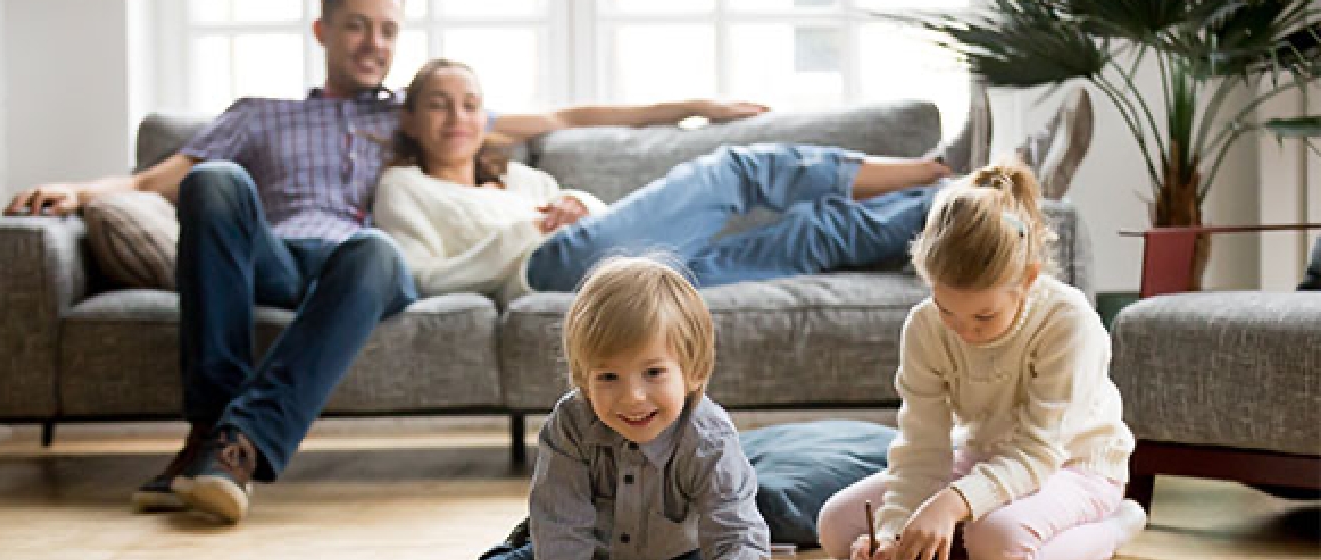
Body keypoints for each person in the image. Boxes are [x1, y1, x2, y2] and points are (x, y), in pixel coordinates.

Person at [0, 0, 766, 524]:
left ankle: (231, 447)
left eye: (388, 30)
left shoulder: (410, 113)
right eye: (358, 26)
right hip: (277, 257)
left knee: (372, 247)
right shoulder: (258, 115)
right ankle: (211, 430)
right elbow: (148, 183)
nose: (375, 42)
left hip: (365, 269)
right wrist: (76, 189)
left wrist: (696, 105)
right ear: (323, 30)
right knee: (213, 181)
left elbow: (568, 118)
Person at [373, 59, 952, 303]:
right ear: (411, 118)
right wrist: (522, 233)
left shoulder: (523, 178)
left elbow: (602, 226)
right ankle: (934, 166)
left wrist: (579, 204)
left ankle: (953, 201)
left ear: (486, 117)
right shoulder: (405, 188)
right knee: (733, 171)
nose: (457, 119)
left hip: (622, 273)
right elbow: (419, 278)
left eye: (470, 104)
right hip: (546, 270)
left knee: (808, 237)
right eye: (439, 106)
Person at [815, 162, 1147, 560]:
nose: (963, 331)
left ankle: (1114, 527)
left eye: (983, 317)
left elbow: (1038, 452)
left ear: (1027, 280)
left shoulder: (1068, 321)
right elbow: (921, 448)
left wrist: (950, 504)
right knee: (836, 525)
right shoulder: (924, 326)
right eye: (946, 309)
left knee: (996, 541)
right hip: (980, 460)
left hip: (1073, 465)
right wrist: (891, 532)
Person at [479, 255, 770, 560]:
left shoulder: (709, 438)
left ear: (693, 371)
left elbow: (737, 535)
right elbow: (561, 530)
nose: (632, 397)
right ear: (583, 380)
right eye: (608, 377)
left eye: (653, 373)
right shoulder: (571, 424)